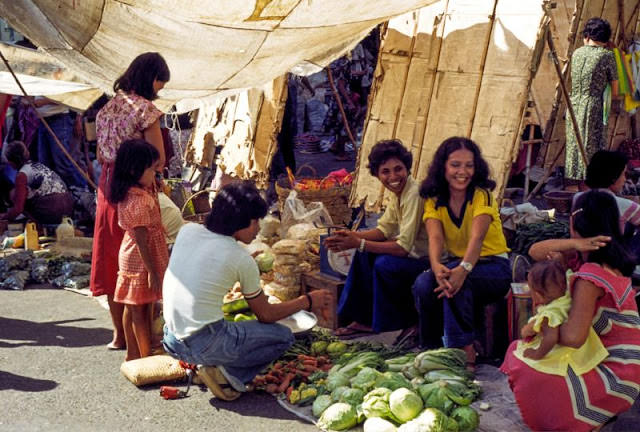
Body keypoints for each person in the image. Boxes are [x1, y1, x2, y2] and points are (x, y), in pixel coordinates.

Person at [162, 181, 331, 401]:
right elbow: (266, 315)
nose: (259, 228)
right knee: (283, 337)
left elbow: (198, 265)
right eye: (255, 222)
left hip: (171, 340)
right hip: (204, 343)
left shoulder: (188, 231)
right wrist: (307, 300)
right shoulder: (238, 256)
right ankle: (227, 375)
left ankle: (208, 364)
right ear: (239, 223)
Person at [501, 190, 640, 431]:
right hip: (621, 365)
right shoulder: (607, 263)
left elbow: (574, 338)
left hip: (616, 375)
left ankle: (574, 421)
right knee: (529, 350)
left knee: (521, 357)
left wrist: (539, 327)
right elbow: (535, 251)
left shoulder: (590, 276)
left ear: (574, 224)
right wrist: (576, 243)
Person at [90, 52, 169, 350]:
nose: (160, 88)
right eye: (161, 82)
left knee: (112, 258)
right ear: (152, 78)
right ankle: (143, 342)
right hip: (136, 189)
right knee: (140, 261)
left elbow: (100, 155)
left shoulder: (106, 108)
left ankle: (119, 336)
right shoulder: (145, 111)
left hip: (108, 187)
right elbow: (158, 159)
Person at [412, 137, 511, 368]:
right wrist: (436, 266)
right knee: (424, 284)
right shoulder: (434, 198)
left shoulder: (481, 195)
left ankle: (464, 352)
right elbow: (435, 236)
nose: (462, 172)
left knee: (458, 284)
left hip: (494, 266)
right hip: (460, 262)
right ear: (443, 166)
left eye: (469, 165)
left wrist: (463, 269)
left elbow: (477, 237)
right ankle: (431, 348)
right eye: (455, 165)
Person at [324, 140, 429, 343]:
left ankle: (400, 322)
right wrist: (351, 237)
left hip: (427, 260)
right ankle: (362, 319)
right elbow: (384, 230)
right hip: (412, 253)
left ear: (407, 168)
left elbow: (403, 248)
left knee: (384, 265)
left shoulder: (413, 193)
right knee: (365, 255)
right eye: (385, 172)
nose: (393, 177)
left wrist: (358, 243)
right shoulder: (399, 194)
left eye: (398, 169)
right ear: (377, 175)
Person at [109, 140, 168, 361]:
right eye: (152, 169)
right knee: (142, 311)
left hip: (132, 254)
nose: (155, 174)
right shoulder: (140, 200)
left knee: (133, 307)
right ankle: (145, 357)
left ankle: (133, 355)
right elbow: (143, 240)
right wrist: (152, 271)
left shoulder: (130, 192)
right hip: (141, 257)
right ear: (135, 169)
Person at [513, 260, 607, 373]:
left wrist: (537, 353)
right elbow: (568, 274)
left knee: (517, 356)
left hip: (566, 354)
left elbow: (551, 338)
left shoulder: (550, 314)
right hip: (586, 350)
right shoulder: (568, 293)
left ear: (537, 295)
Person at [565, 17, 619, 185]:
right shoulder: (607, 56)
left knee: (576, 145)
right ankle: (590, 187)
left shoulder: (577, 53)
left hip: (574, 105)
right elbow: (615, 91)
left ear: (587, 36)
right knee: (593, 148)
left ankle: (575, 187)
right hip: (594, 107)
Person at [578, 150, 640, 257]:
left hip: (585, 253)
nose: (625, 179)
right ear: (613, 178)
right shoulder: (626, 205)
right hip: (614, 258)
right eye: (623, 174)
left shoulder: (577, 198)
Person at [0, 140, 73, 224]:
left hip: (53, 209)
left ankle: (39, 225)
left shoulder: (22, 175)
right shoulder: (38, 165)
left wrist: (5, 217)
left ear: (11, 162)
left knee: (14, 195)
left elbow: (18, 209)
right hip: (68, 207)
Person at [33, 96, 88, 190]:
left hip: (58, 118)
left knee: (62, 162)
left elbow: (66, 96)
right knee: (45, 162)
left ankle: (82, 190)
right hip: (43, 119)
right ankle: (57, 192)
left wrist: (44, 102)